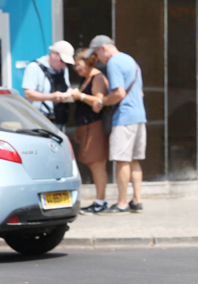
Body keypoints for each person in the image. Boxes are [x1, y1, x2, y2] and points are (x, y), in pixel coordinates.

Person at [85, 35, 146, 215]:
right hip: (139, 116)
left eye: (96, 53)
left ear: (103, 48)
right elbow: (140, 93)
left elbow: (119, 93)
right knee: (134, 160)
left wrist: (103, 101)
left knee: (122, 160)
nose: (97, 59)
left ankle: (121, 203)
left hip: (125, 117)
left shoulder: (113, 63)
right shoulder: (131, 61)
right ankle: (137, 200)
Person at [69, 48, 110, 214]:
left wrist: (81, 97)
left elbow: (99, 102)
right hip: (85, 127)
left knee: (97, 164)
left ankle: (101, 201)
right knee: (92, 164)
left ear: (88, 62)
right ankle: (99, 200)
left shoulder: (97, 77)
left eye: (78, 64)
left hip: (95, 126)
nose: (76, 69)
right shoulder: (85, 79)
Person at [22, 40, 75, 130]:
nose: (64, 64)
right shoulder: (34, 67)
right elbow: (28, 94)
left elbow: (67, 87)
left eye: (66, 62)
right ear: (53, 53)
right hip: (39, 122)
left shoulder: (63, 69)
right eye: (62, 60)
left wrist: (70, 93)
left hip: (59, 121)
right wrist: (51, 97)